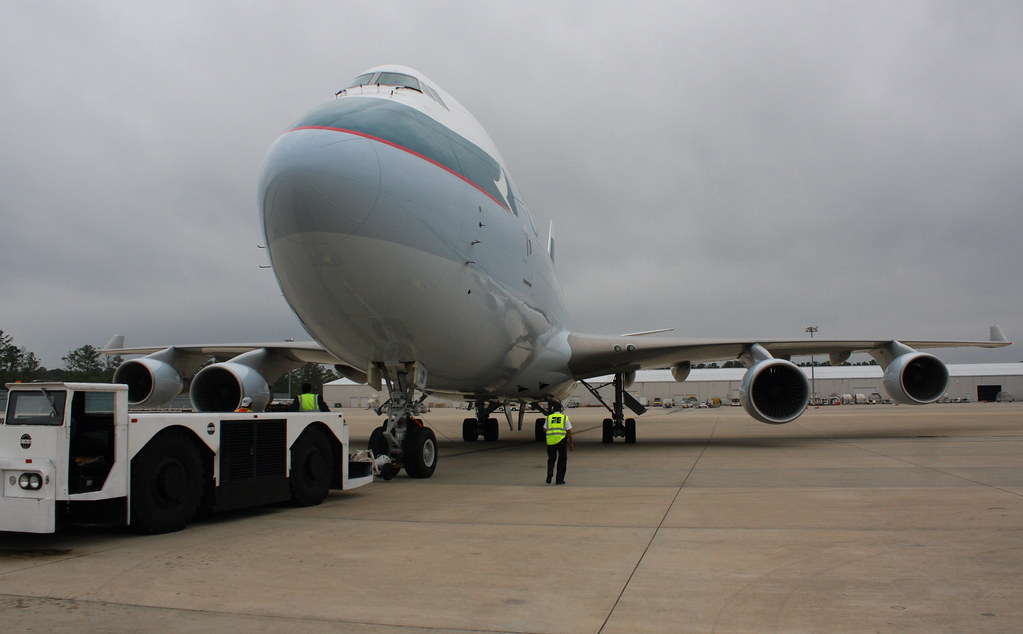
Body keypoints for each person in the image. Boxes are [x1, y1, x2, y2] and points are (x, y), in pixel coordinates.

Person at [543, 403, 574, 485]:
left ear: (553, 409)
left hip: (551, 441)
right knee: (562, 460)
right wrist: (571, 443)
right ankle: (559, 480)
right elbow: (569, 432)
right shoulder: (564, 418)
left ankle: (550, 472)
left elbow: (544, 429)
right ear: (561, 409)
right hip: (561, 440)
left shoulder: (548, 417)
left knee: (551, 459)